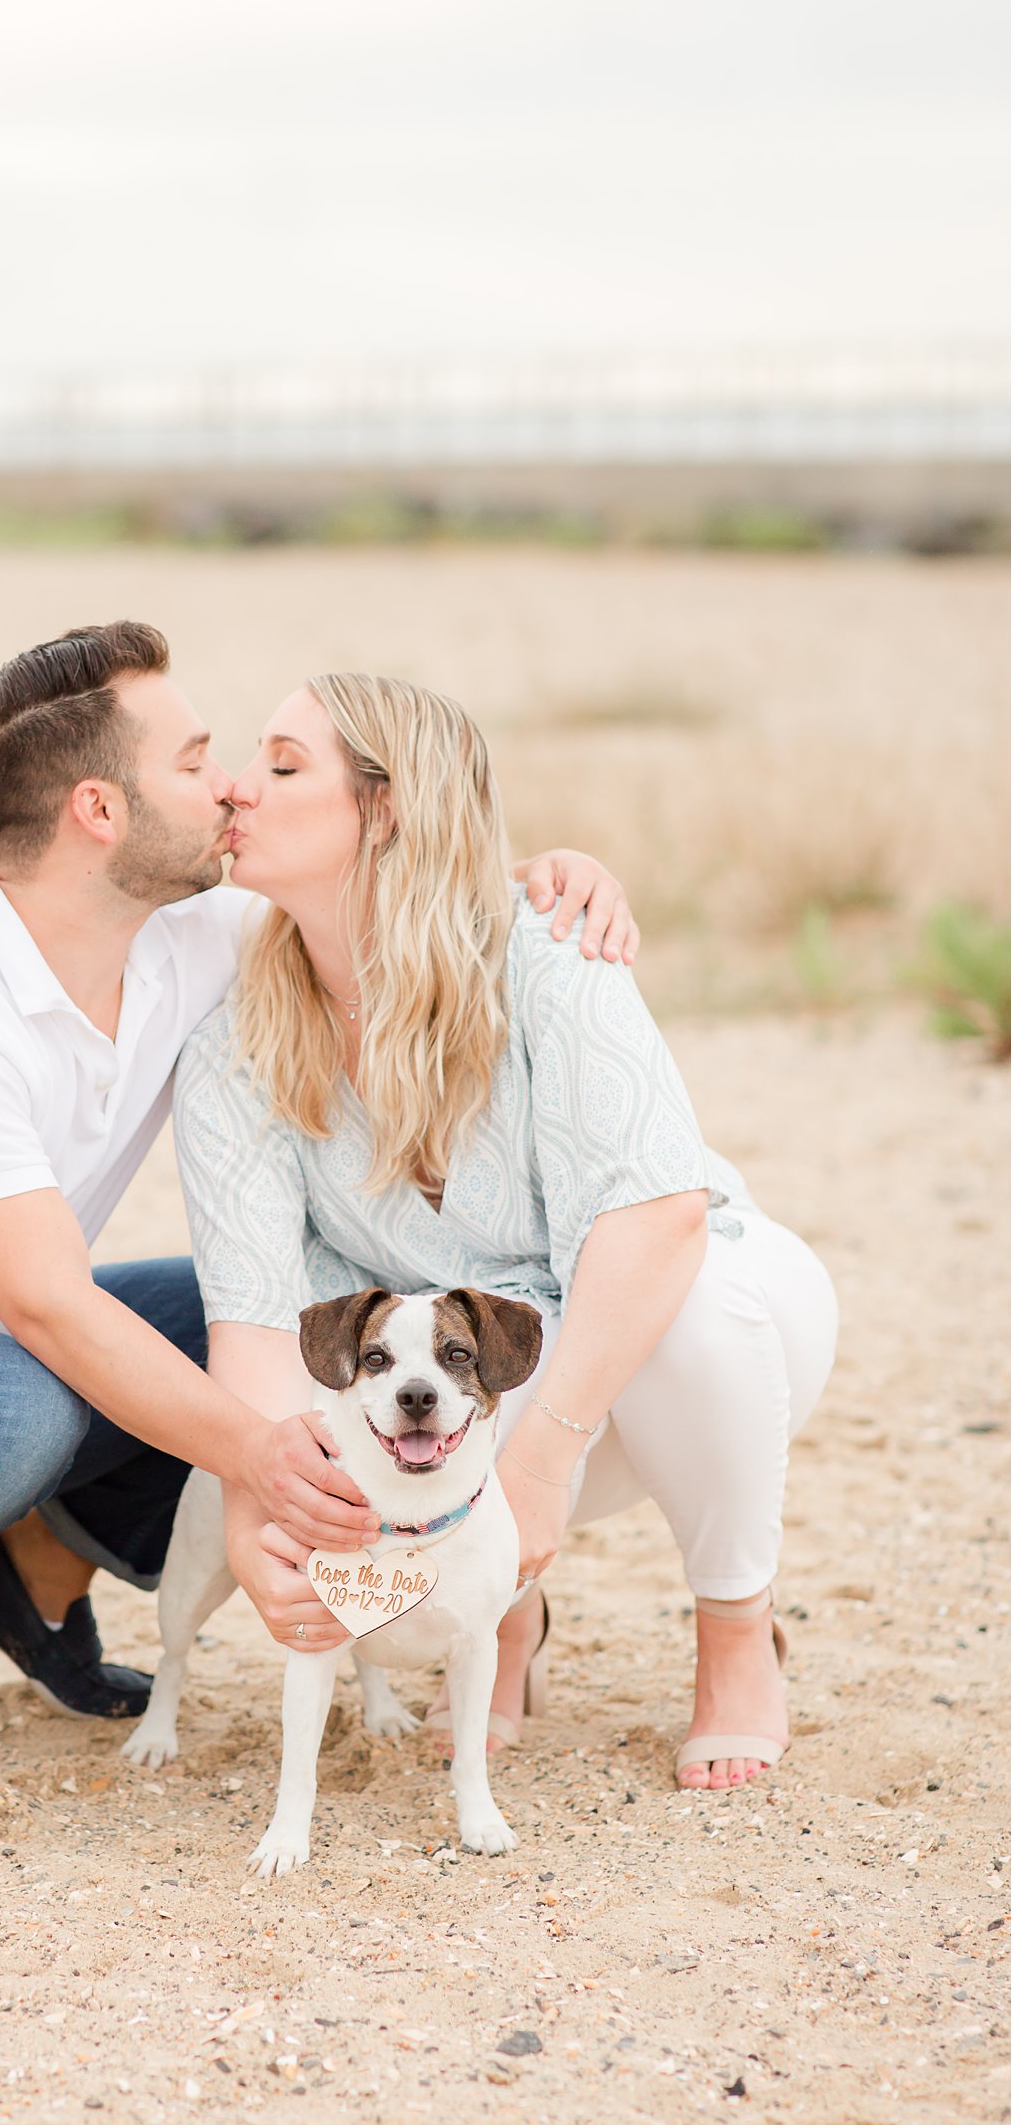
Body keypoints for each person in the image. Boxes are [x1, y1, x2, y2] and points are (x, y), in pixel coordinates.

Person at [0, 621, 634, 1825]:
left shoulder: (191, 935)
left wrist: (550, 872)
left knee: (261, 1311)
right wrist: (255, 1457)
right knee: (11, 1401)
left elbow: (372, 893)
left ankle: (33, 1556)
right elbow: (47, 1309)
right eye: (194, 762)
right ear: (99, 812)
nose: (230, 786)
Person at [172, 670, 839, 1791]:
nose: (236, 788)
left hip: (694, 1344)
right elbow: (253, 1331)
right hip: (473, 1381)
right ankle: (503, 1619)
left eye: (282, 766)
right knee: (409, 1376)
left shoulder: (542, 946)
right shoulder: (237, 1039)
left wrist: (534, 1463)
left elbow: (657, 1218)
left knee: (694, 1301)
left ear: (386, 810)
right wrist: (266, 1527)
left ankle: (734, 1630)